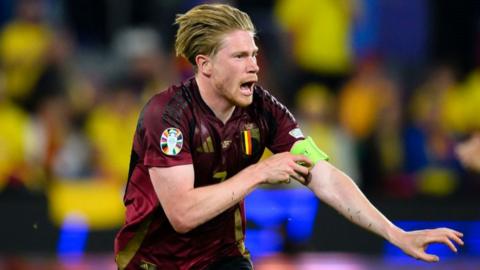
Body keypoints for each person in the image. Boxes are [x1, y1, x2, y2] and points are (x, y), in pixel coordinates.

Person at [114, 4, 464, 270]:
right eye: (239, 56)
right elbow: (182, 214)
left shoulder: (264, 110)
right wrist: (259, 172)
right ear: (205, 65)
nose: (254, 65)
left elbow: (323, 174)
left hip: (222, 257)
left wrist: (396, 233)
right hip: (153, 261)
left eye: (253, 54)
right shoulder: (168, 115)